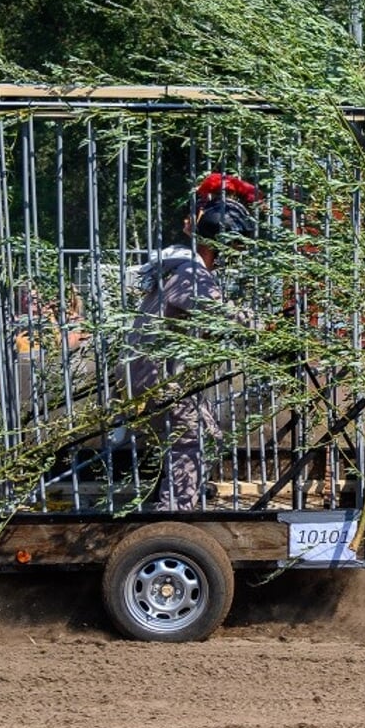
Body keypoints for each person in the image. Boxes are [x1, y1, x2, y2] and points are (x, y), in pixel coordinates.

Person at [126, 195, 256, 510]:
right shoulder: (191, 273)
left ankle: (180, 494)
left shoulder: (184, 268)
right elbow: (216, 312)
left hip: (158, 371)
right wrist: (259, 326)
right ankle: (175, 512)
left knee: (208, 434)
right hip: (157, 375)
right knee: (190, 438)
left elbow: (197, 321)